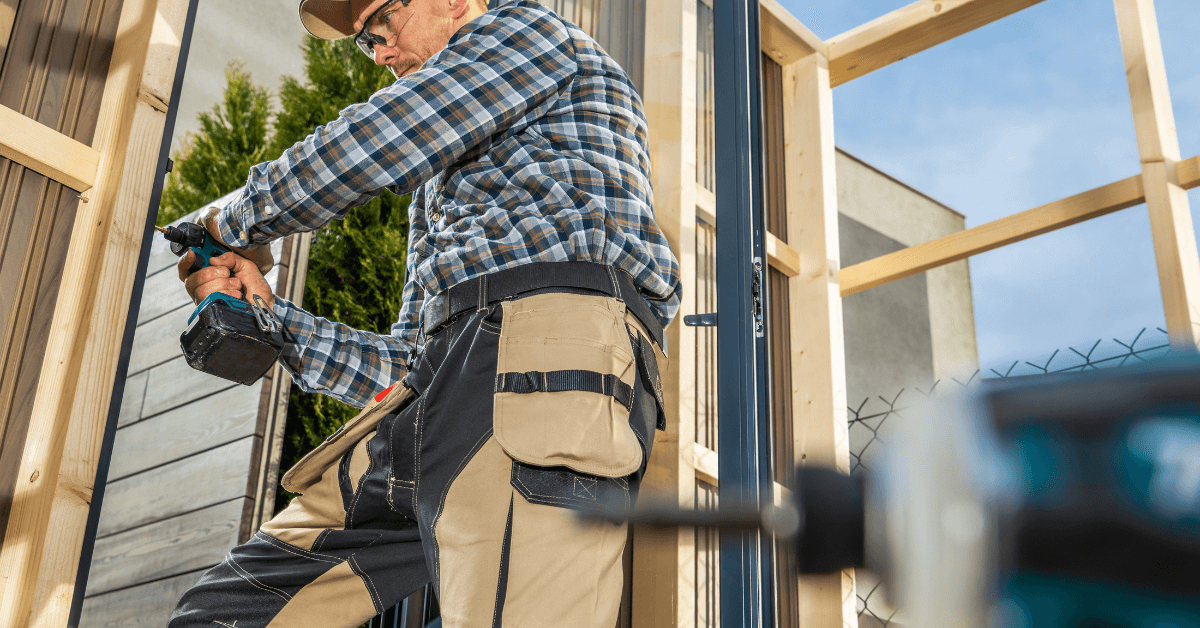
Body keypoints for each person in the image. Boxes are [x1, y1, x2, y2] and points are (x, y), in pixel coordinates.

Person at [168, 0, 681, 626]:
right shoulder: (442, 185)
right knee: (223, 613)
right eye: (366, 44)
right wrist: (271, 315)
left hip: (547, 363)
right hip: (438, 397)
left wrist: (232, 220)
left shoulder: (528, 34)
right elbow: (411, 362)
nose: (380, 54)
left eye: (383, 24)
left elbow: (380, 139)